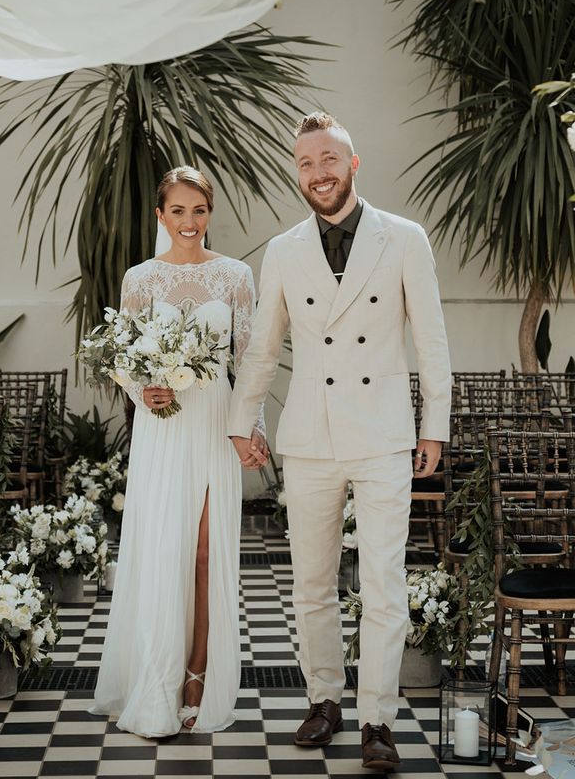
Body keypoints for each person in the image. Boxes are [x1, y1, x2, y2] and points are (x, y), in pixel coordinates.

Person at [228, 112, 452, 770]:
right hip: (309, 437)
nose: (318, 173)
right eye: (305, 163)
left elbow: (431, 341)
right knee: (312, 581)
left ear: (352, 164)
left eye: (329, 160)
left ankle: (378, 719)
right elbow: (264, 348)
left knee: (383, 582)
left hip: (384, 436)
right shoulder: (285, 249)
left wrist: (434, 426)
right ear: (297, 172)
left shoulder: (404, 238)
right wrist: (245, 423)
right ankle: (324, 700)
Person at [90, 166, 265, 736]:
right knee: (166, 552)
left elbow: (250, 362)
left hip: (215, 423)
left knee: (208, 555)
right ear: (161, 216)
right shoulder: (140, 279)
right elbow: (123, 357)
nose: (190, 222)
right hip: (164, 427)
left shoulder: (236, 276)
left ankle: (198, 673)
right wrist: (144, 388)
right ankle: (157, 679)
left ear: (209, 214)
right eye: (178, 211)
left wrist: (252, 429)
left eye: (199, 210)